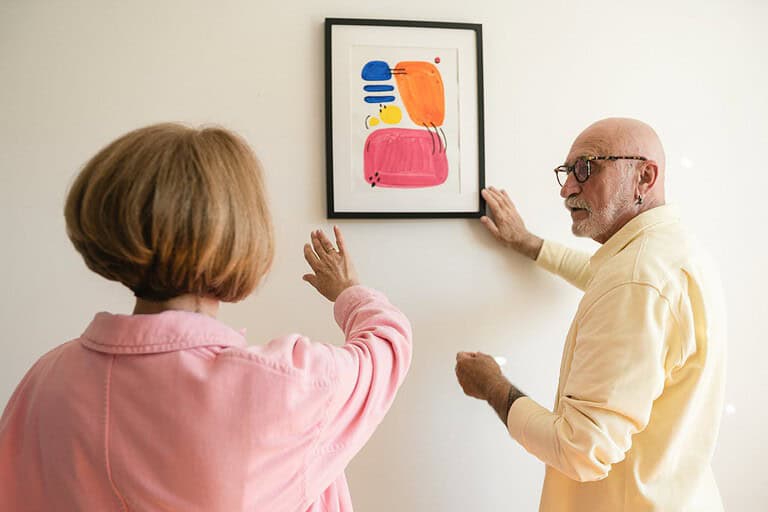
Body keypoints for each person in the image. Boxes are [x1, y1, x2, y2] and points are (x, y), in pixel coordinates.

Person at [0, 123, 412, 511]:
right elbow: (389, 345)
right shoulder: (283, 385)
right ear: (241, 236)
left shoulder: (45, 381)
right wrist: (347, 292)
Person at [455, 118, 726, 511]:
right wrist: (531, 244)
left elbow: (581, 450)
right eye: (567, 172)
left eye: (587, 167)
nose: (567, 189)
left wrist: (492, 385)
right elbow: (605, 279)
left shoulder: (636, 280)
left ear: (644, 177)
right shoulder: (669, 250)